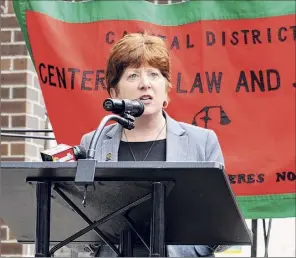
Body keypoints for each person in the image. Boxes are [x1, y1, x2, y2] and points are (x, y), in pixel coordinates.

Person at [80, 33, 227, 257]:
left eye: (153, 74)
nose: (145, 84)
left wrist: (188, 250)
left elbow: (221, 224)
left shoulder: (202, 142)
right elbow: (80, 222)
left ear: (167, 90)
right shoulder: (94, 142)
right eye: (133, 76)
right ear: (114, 93)